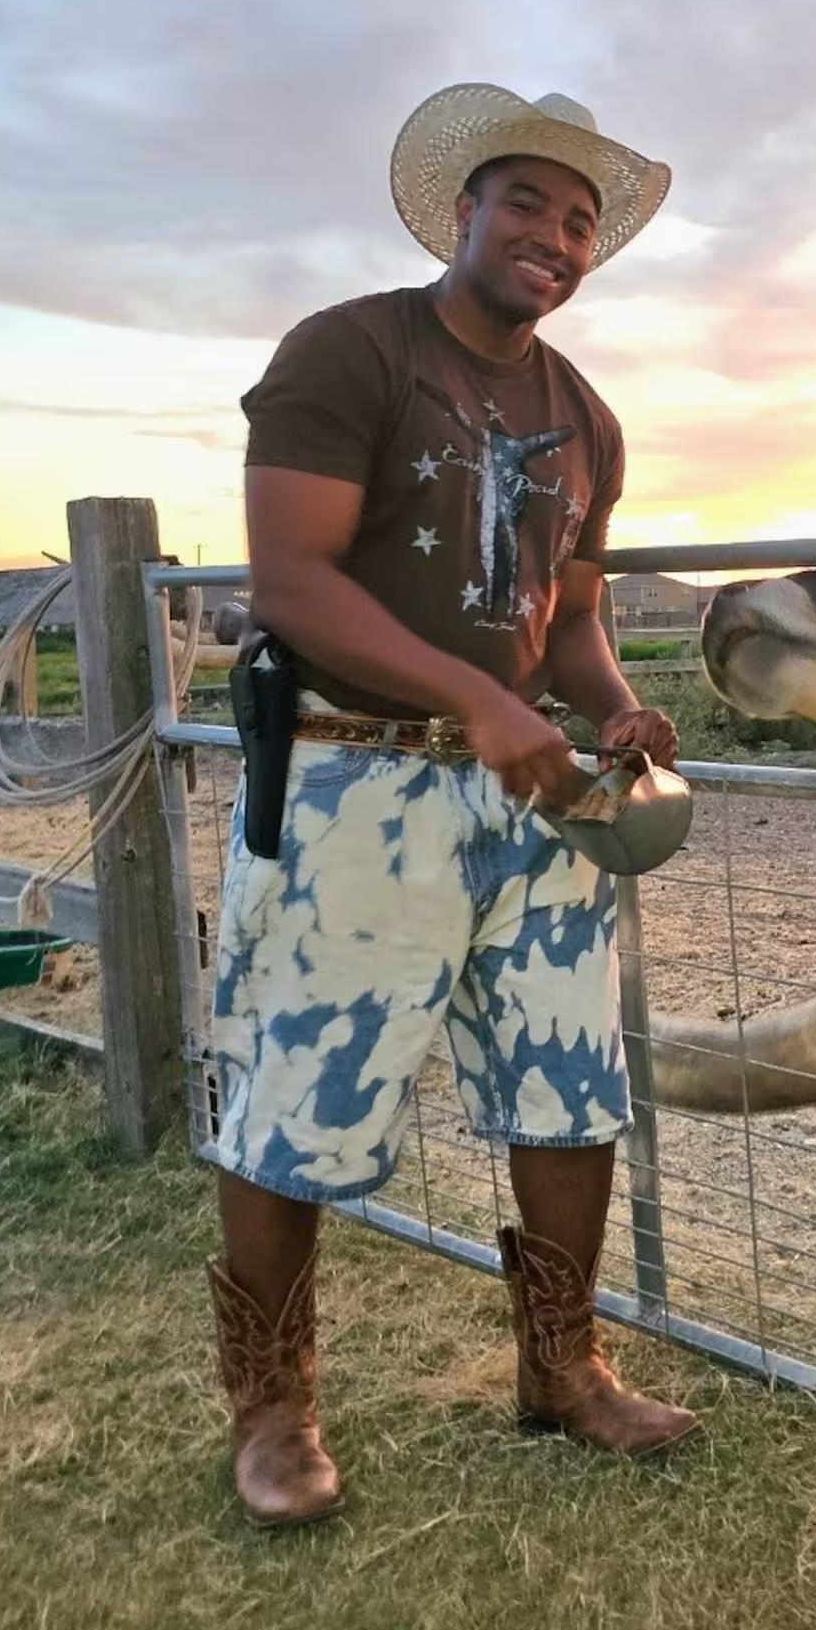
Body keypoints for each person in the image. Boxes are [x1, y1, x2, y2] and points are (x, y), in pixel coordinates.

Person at [204, 82, 697, 1526]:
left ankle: (564, 1366)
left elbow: (567, 623)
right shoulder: (348, 350)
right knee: (295, 1090)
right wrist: (480, 702)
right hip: (356, 776)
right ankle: (275, 1411)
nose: (556, 234)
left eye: (582, 219)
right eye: (530, 201)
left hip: (534, 794)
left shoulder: (587, 418)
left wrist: (605, 707)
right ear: (464, 210)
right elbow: (292, 582)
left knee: (568, 1084)